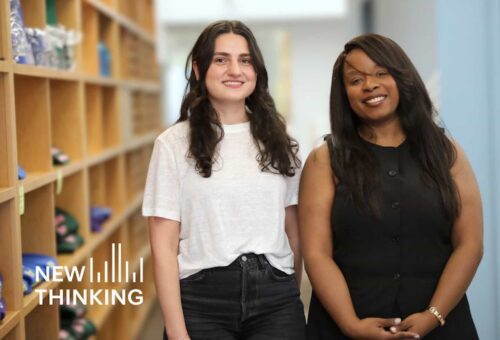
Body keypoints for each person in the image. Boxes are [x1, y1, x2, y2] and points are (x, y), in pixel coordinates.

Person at [299, 33, 483, 339]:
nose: (370, 85)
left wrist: (433, 315)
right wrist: (351, 325)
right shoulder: (325, 160)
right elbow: (317, 254)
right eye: (356, 79)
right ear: (344, 93)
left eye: (381, 73)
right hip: (345, 327)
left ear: (402, 78)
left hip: (441, 325)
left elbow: (470, 244)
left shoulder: (446, 152)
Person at [142, 20, 305, 340]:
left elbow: (293, 230)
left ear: (256, 70)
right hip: (201, 302)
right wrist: (177, 333)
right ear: (199, 69)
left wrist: (290, 294)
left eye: (245, 60)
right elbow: (163, 247)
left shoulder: (281, 141)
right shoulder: (173, 143)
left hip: (276, 301)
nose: (235, 70)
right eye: (221, 59)